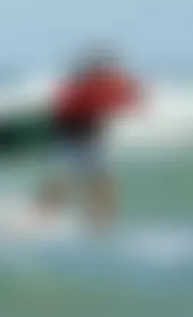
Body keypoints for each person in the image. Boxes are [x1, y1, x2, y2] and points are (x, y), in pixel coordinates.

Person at [36, 49, 141, 231]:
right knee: (81, 180)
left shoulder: (84, 85)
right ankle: (45, 216)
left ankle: (98, 222)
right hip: (74, 140)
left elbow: (124, 102)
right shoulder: (85, 86)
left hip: (82, 139)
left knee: (96, 181)